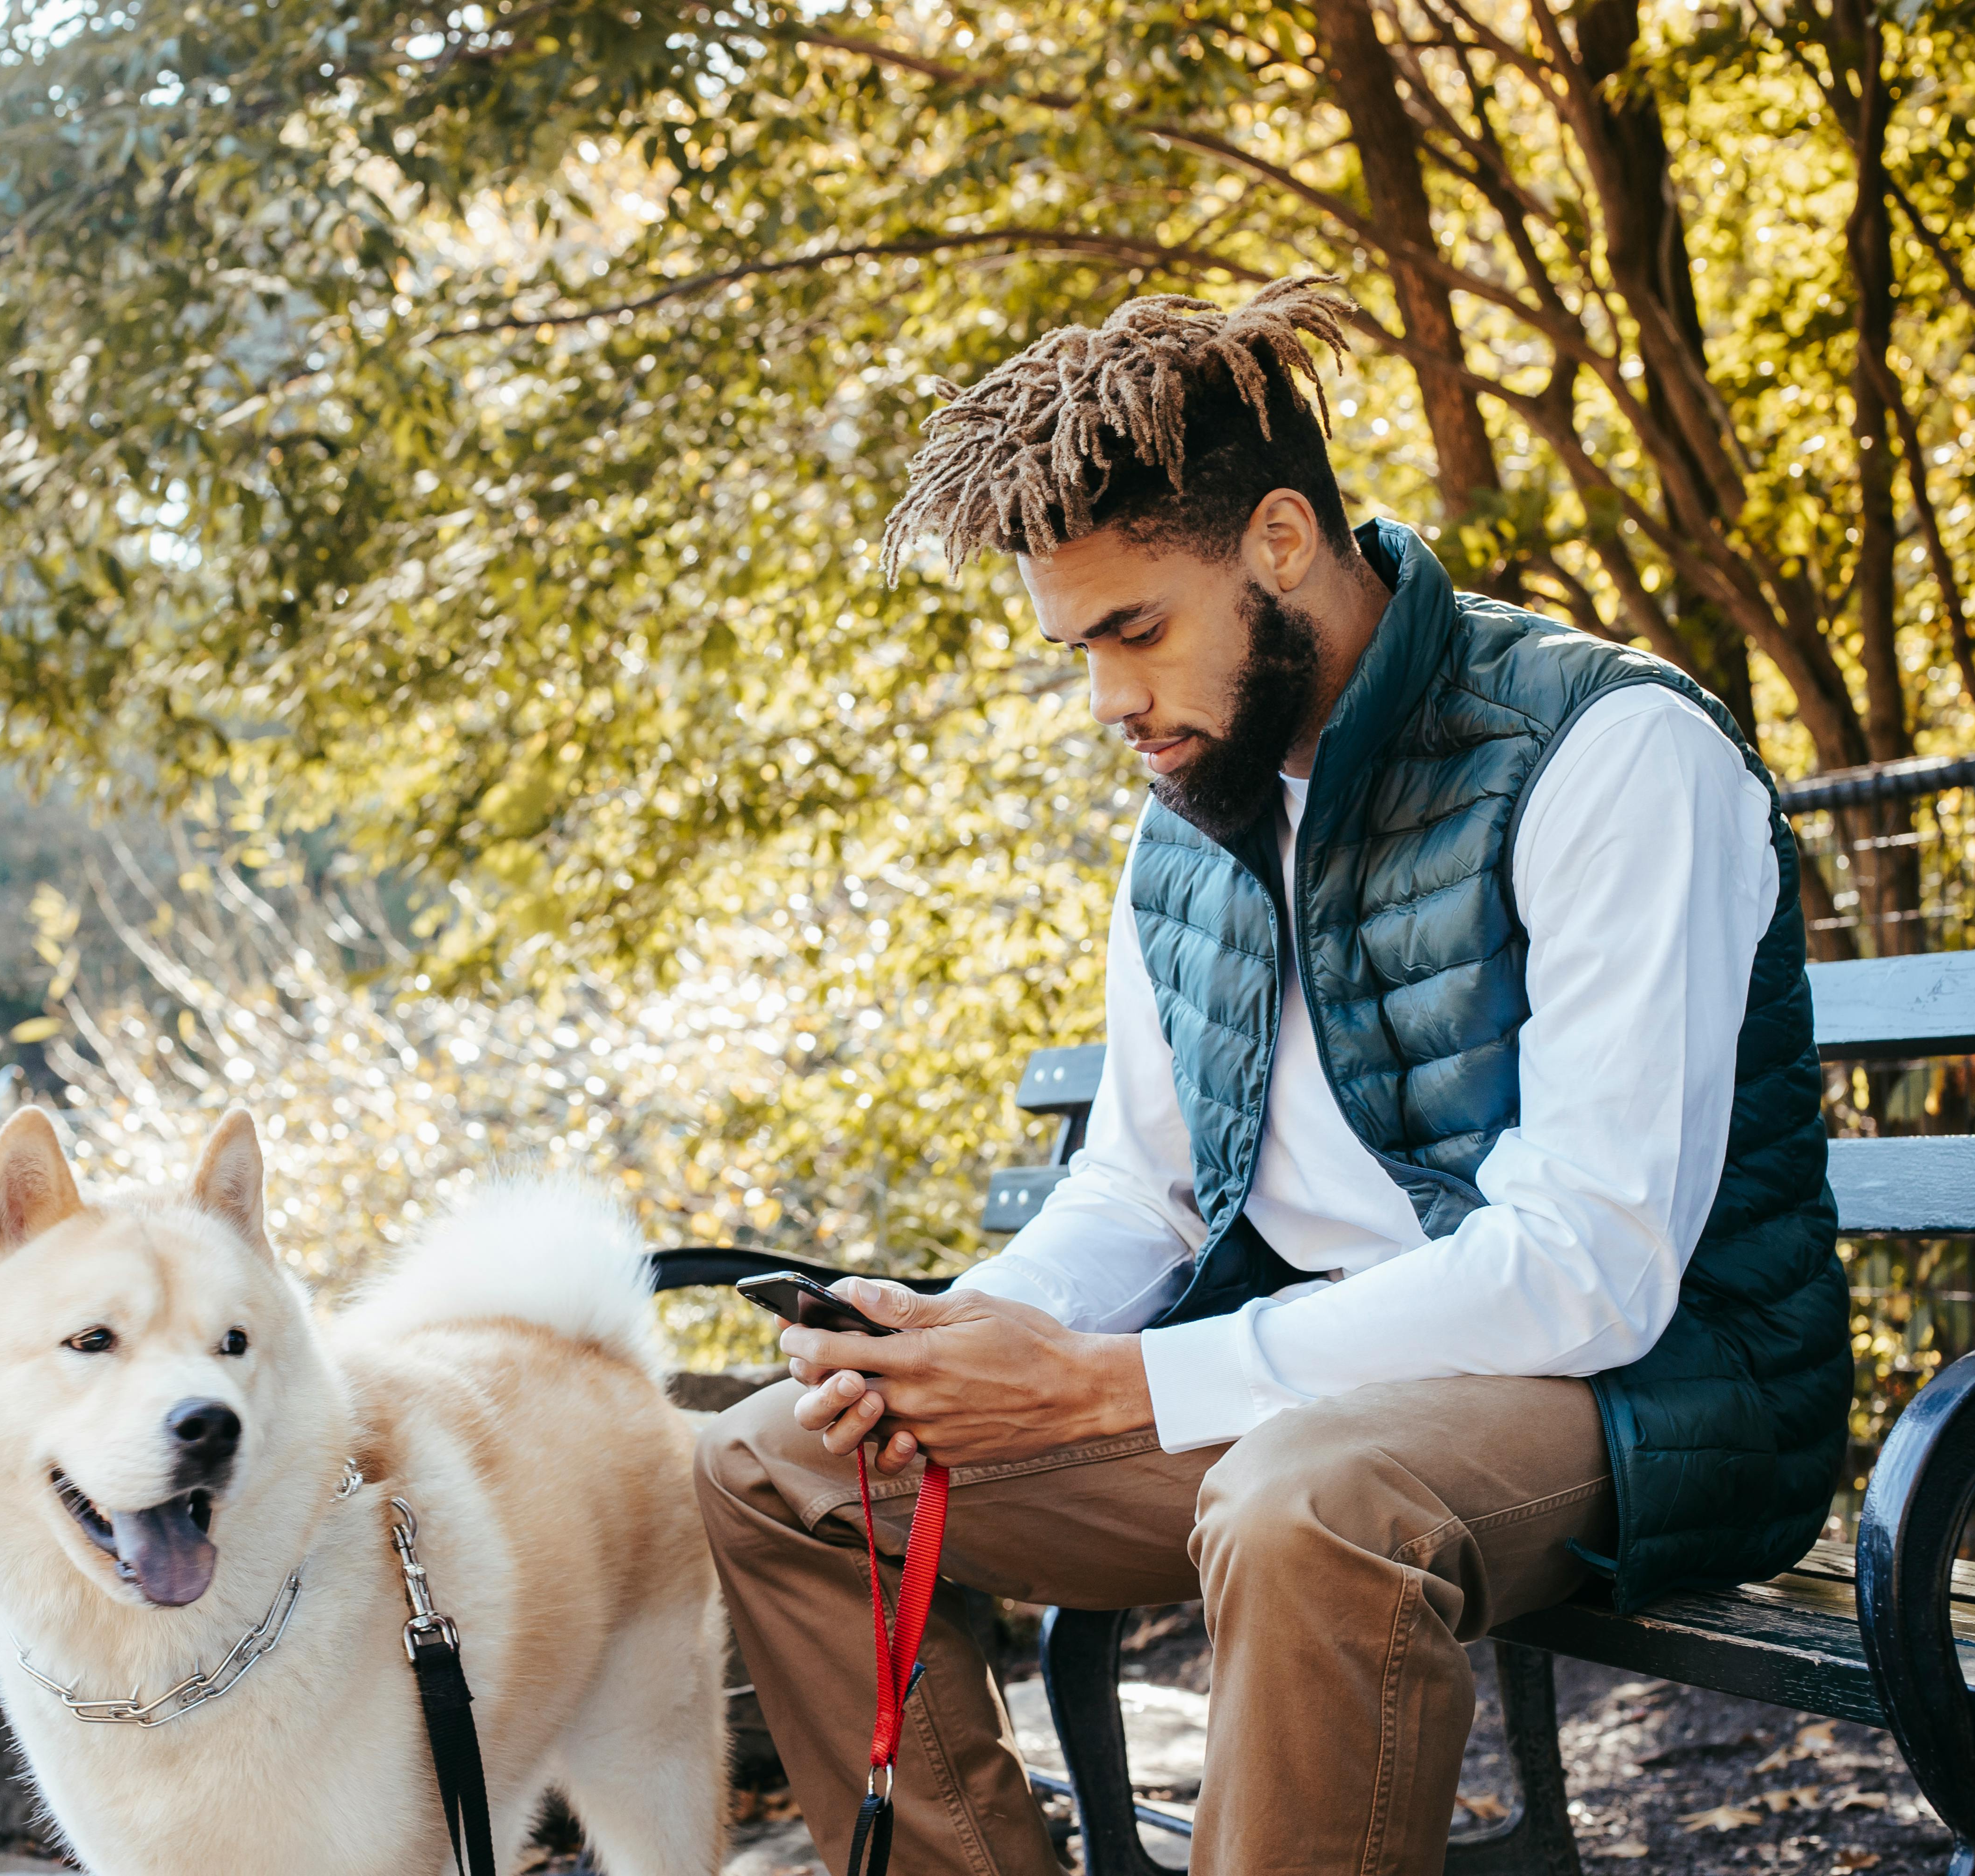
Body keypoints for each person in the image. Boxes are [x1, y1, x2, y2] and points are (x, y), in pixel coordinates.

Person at [692, 277, 1849, 1876]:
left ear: (1283, 543)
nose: (1109, 701)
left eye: (1136, 630)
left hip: (1642, 1395)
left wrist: (1113, 1386)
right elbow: (1142, 1189)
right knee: (775, 1462)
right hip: (1299, 1397)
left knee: (1307, 1503)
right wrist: (973, 1335)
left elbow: (1593, 1268)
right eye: (1078, 648)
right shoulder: (1191, 819)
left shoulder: (1610, 753)